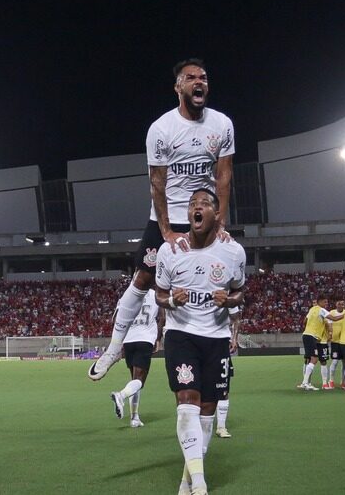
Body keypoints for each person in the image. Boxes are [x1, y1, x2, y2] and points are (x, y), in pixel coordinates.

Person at [89, 59, 235, 382]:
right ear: (178, 87)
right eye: (191, 78)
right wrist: (166, 229)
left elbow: (224, 175)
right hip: (167, 217)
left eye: (204, 77)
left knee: (213, 281)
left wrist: (220, 220)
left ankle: (213, 349)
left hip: (204, 216)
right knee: (142, 279)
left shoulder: (222, 124)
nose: (200, 82)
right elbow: (157, 182)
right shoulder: (161, 129)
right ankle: (114, 347)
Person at [154, 188, 245, 495]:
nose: (197, 206)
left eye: (205, 203)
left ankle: (187, 479)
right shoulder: (170, 250)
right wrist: (172, 302)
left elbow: (239, 292)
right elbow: (159, 295)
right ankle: (201, 486)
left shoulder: (233, 252)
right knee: (187, 404)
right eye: (192, 203)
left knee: (208, 411)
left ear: (216, 214)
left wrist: (228, 300)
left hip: (216, 338)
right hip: (181, 335)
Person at [110, 291, 164, 427]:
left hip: (128, 340)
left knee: (134, 381)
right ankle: (121, 396)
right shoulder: (155, 294)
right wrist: (157, 338)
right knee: (139, 381)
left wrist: (118, 342)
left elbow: (115, 320)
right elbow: (162, 318)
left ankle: (135, 417)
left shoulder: (127, 294)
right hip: (144, 338)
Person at [298, 295, 332, 391]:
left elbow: (329, 324)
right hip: (313, 338)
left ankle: (324, 383)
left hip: (322, 340)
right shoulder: (313, 311)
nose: (314, 305)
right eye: (313, 303)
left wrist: (330, 333)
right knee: (309, 359)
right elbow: (305, 321)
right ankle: (306, 382)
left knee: (323, 361)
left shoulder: (323, 313)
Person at [215, 305, 239, 438]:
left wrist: (234, 338)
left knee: (223, 389)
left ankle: (221, 426)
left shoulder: (226, 294)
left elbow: (236, 318)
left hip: (221, 344)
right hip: (199, 344)